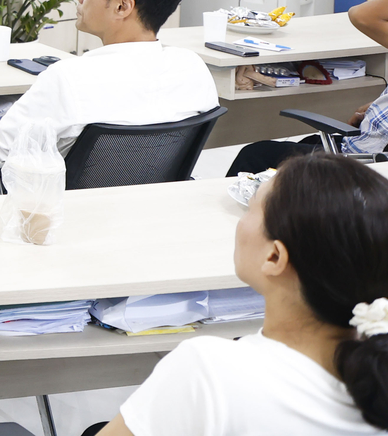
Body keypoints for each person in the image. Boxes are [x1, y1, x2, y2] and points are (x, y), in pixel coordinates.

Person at [94, 152, 388, 435]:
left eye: (250, 207)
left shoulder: (208, 372)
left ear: (274, 257)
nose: (239, 222)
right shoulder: (376, 379)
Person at [0, 0, 219, 195]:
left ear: (123, 6)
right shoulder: (192, 68)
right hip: (145, 212)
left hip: (62, 216)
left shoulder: (70, 78)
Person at [227, 0, 388, 176]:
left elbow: (360, 15)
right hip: (369, 144)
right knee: (310, 141)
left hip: (366, 160)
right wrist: (374, 106)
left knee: (254, 155)